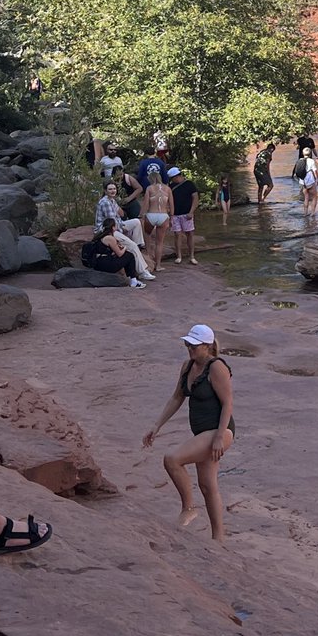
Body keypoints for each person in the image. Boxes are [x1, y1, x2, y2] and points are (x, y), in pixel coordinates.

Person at [142, 324, 235, 542]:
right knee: (207, 485)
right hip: (202, 432)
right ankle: (219, 539)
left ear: (207, 346)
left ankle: (188, 508)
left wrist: (219, 437)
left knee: (172, 459)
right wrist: (157, 426)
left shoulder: (217, 367)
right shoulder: (187, 366)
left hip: (219, 431)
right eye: (187, 345)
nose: (189, 349)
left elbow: (228, 403)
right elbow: (177, 397)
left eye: (193, 346)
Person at [94, 182, 155, 280]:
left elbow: (121, 214)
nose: (113, 191)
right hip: (108, 231)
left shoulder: (112, 201)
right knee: (132, 246)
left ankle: (139, 244)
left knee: (136, 222)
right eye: (110, 189)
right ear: (105, 191)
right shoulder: (105, 202)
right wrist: (123, 231)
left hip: (117, 225)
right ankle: (143, 271)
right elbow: (112, 222)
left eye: (114, 189)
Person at [89, 219, 147, 287]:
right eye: (115, 226)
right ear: (113, 227)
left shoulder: (100, 236)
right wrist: (125, 248)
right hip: (104, 264)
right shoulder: (110, 238)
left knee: (126, 256)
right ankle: (133, 281)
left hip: (98, 262)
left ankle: (131, 279)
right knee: (130, 256)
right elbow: (120, 254)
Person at [142, 164, 174, 270]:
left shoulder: (149, 188)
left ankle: (149, 263)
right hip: (163, 216)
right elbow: (172, 205)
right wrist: (172, 217)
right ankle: (158, 265)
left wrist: (142, 216)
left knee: (147, 239)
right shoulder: (168, 189)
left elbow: (146, 204)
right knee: (159, 243)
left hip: (151, 214)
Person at [168, 166, 199, 265]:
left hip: (187, 214)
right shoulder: (171, 186)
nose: (173, 180)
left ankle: (192, 256)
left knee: (189, 234)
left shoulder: (189, 184)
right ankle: (179, 256)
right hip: (176, 214)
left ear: (177, 176)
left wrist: (191, 211)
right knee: (177, 235)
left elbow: (195, 199)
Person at [299, 149, 318, 216]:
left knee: (306, 197)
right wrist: (317, 180)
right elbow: (315, 171)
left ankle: (305, 213)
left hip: (302, 182)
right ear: (310, 154)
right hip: (310, 181)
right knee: (314, 197)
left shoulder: (300, 160)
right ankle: (312, 213)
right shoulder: (311, 161)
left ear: (303, 154)